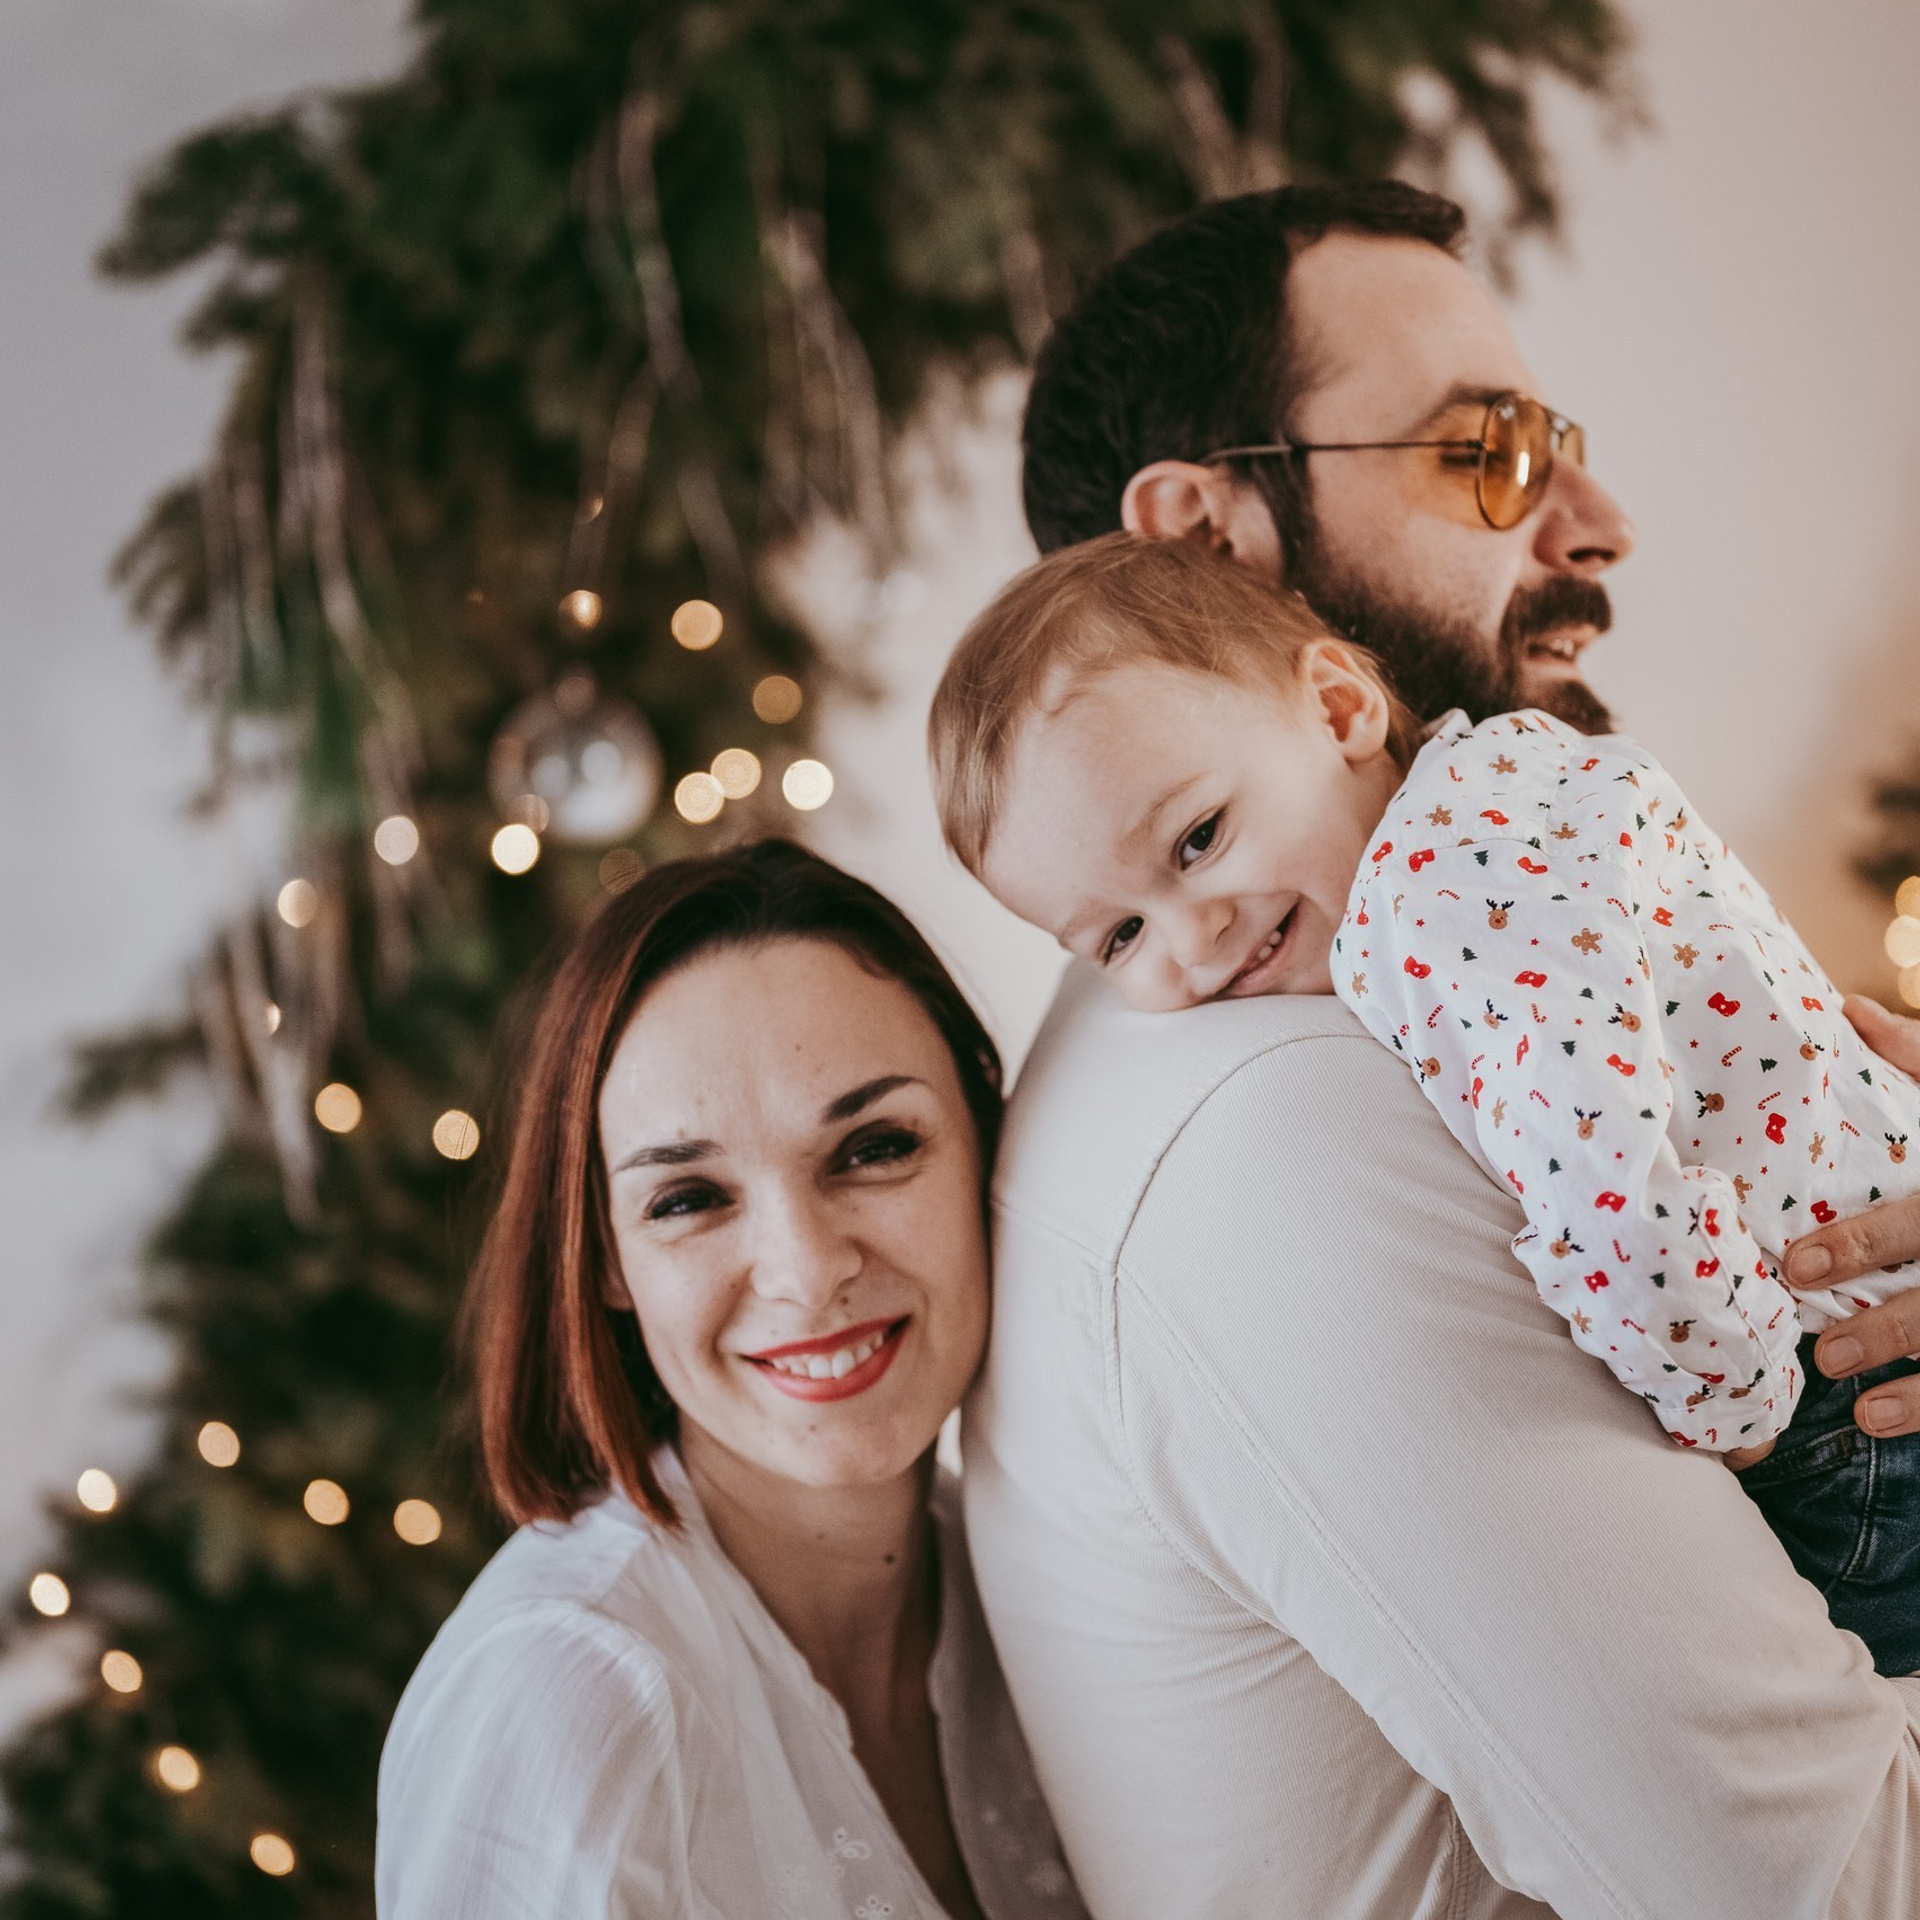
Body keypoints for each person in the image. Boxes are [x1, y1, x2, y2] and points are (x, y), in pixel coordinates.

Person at [955, 179, 1920, 1917]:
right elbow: (1829, 1884)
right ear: (1202, 536)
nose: (1598, 521)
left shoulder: (1352, 989)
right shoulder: (1276, 1133)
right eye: (1489, 453)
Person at [928, 530, 1919, 1674]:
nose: (1192, 939)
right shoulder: (1515, 777)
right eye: (1120, 934)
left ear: (1341, 709)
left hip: (1836, 1398)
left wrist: (1733, 1409)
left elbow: (1611, 1192)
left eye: (1198, 838)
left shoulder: (1445, 896)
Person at [375, 840, 1086, 1920]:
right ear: (605, 1262)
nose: (806, 1272)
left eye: (876, 1146)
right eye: (688, 1199)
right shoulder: (568, 1700)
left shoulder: (1050, 1577)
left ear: (988, 1146)